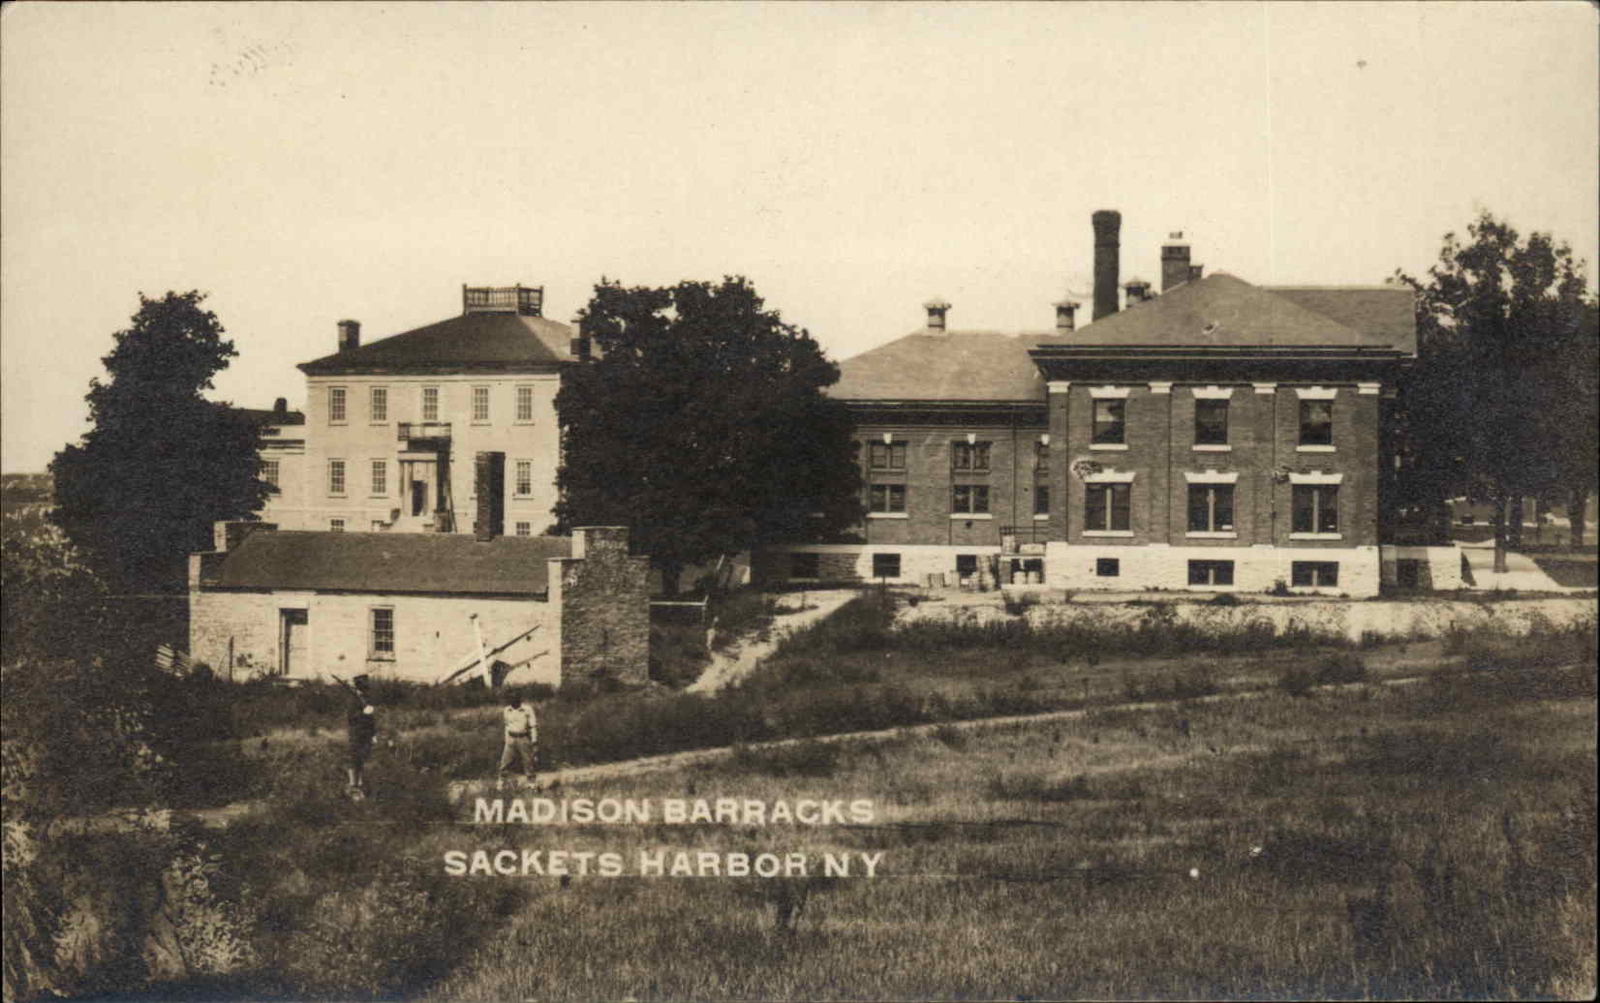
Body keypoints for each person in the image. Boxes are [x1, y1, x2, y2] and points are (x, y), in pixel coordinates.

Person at [344, 674, 377, 795]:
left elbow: (371, 720)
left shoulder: (366, 699)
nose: (367, 686)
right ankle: (353, 785)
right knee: (354, 759)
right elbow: (351, 718)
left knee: (362, 759)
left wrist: (373, 734)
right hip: (356, 733)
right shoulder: (353, 699)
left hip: (366, 734)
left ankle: (360, 784)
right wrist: (363, 712)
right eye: (365, 684)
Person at [498, 692, 538, 788]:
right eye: (511, 698)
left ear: (520, 699)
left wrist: (534, 741)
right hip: (511, 739)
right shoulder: (507, 710)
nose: (514, 700)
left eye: (516, 698)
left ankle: (532, 785)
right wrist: (506, 741)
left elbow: (533, 726)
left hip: (523, 738)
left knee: (528, 762)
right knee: (505, 763)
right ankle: (501, 784)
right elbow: (506, 726)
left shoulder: (527, 709)